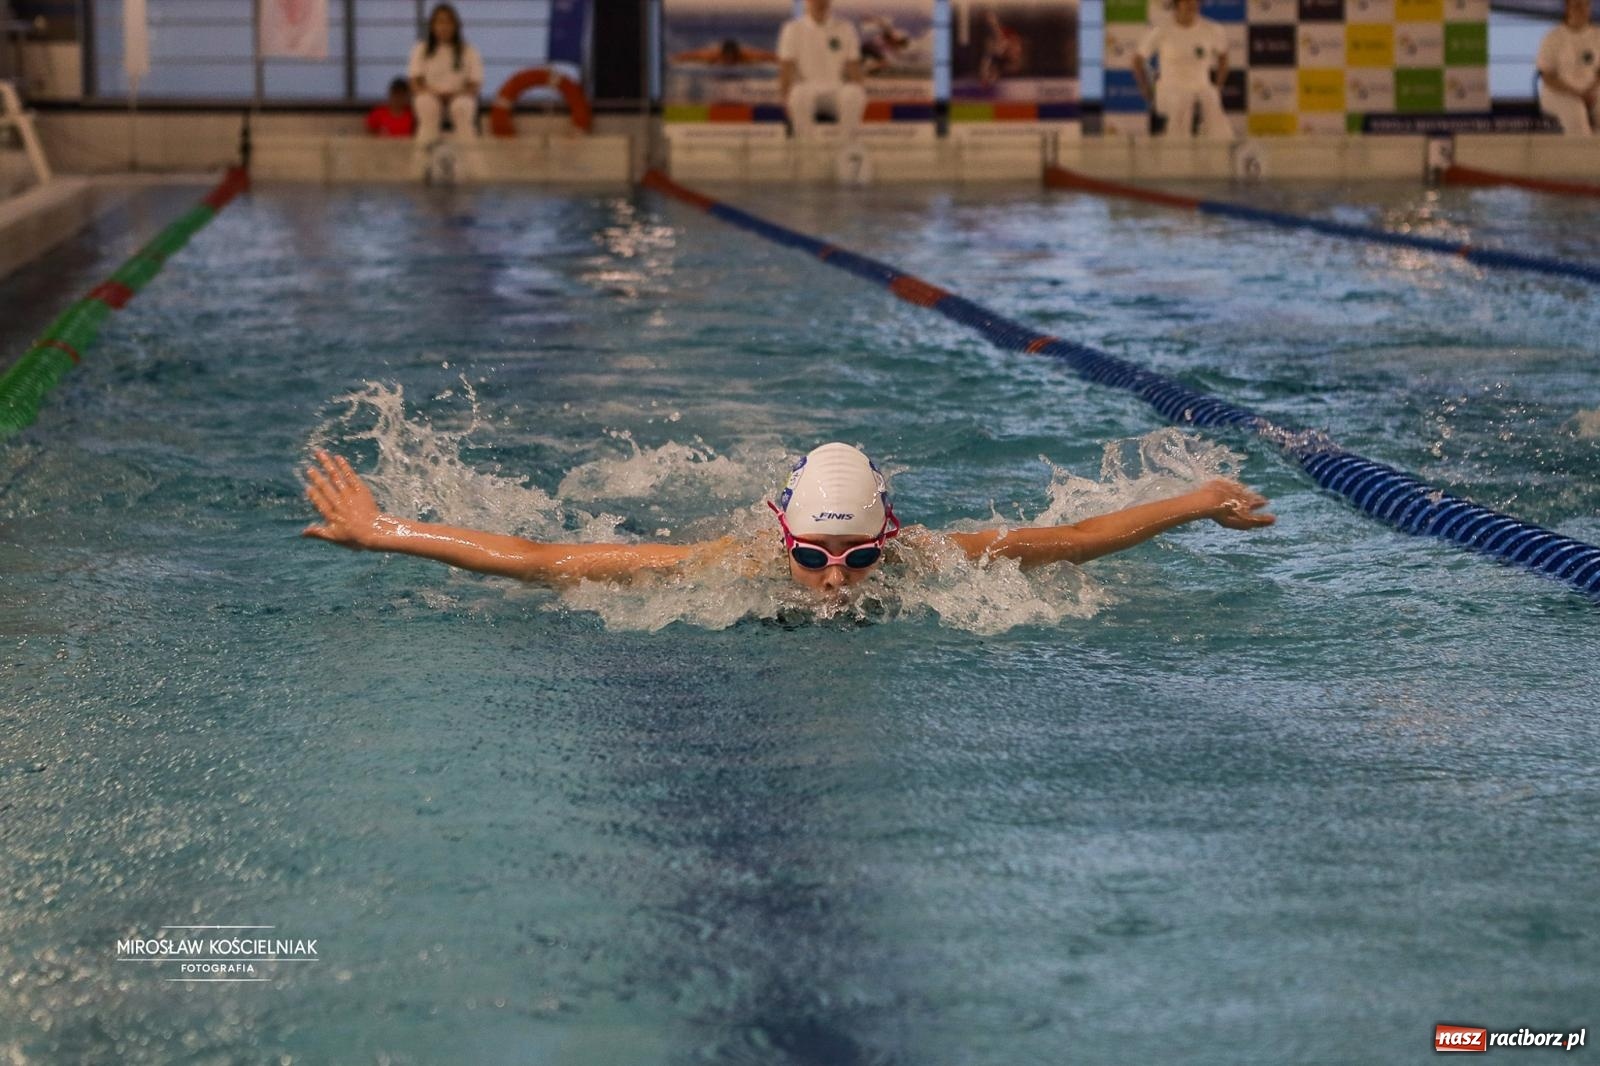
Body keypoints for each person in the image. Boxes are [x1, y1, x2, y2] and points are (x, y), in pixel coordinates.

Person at [301, 443, 1275, 598]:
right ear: (782, 539)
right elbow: (551, 559)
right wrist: (386, 531)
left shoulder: (924, 562)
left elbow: (1066, 541)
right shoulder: (732, 565)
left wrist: (1196, 499)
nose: (835, 580)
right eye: (811, 555)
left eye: (854, 557)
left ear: (888, 539)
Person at [1131, 0, 1231, 140]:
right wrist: (1146, 89)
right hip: (1170, 89)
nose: (1192, 5)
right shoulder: (1160, 30)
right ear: (1177, 4)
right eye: (1187, 1)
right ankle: (1176, 156)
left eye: (1195, 2)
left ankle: (1219, 156)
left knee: (1212, 100)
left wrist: (1218, 86)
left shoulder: (1212, 29)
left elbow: (1223, 57)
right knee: (1182, 101)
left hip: (1202, 88)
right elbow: (1137, 61)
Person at [777, 0, 868, 141]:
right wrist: (785, 102)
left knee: (854, 93)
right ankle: (807, 153)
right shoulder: (792, 29)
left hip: (836, 91)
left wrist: (860, 92)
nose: (820, 3)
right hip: (807, 91)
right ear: (807, 2)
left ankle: (845, 150)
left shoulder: (845, 28)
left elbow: (854, 69)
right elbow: (785, 70)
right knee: (797, 94)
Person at [409, 3, 483, 144]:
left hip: (460, 96)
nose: (444, 27)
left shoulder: (469, 51)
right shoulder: (420, 49)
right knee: (426, 104)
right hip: (430, 95)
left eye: (448, 22)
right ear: (432, 25)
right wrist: (434, 93)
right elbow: (414, 83)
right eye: (439, 22)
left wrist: (455, 94)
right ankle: (422, 161)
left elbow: (475, 84)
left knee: (462, 107)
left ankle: (473, 163)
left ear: (456, 26)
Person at [1537, 0, 1600, 135]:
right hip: (1559, 92)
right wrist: (1576, 93)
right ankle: (1581, 155)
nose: (1581, 9)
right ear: (1567, 8)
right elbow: (1547, 77)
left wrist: (1592, 89)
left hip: (1591, 89)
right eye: (1577, 5)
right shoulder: (1552, 38)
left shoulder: (1597, 35)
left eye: (1585, 5)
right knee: (1576, 113)